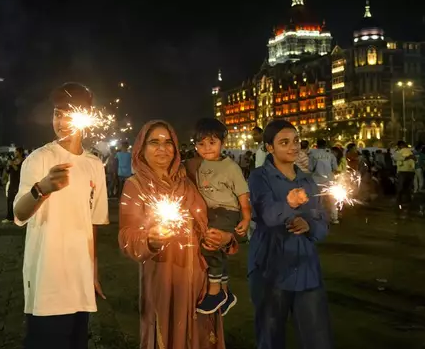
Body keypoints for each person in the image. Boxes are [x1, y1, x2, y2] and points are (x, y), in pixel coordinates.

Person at [118, 119, 236, 349]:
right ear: (141, 148)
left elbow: (218, 214)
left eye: (168, 142)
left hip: (202, 274)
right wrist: (148, 240)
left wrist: (225, 237)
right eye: (154, 142)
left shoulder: (189, 179)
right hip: (165, 276)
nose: (162, 148)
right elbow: (126, 235)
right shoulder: (136, 185)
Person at [13, 82, 108, 349]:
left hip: (79, 280)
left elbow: (93, 223)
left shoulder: (94, 165)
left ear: (86, 117)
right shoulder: (39, 159)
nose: (62, 120)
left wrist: (93, 271)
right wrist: (42, 188)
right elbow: (19, 213)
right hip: (47, 278)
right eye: (57, 113)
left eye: (70, 113)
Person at [248, 120, 332, 349]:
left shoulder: (308, 181)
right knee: (270, 337)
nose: (293, 147)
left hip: (306, 269)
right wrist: (290, 202)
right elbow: (266, 216)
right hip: (270, 268)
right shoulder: (259, 177)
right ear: (269, 148)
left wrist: (310, 226)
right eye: (284, 142)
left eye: (295, 141)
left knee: (318, 338)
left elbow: (323, 222)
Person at [187, 118, 250, 316]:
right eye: (201, 144)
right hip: (209, 212)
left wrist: (246, 218)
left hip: (226, 211)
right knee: (219, 250)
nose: (206, 148)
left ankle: (214, 292)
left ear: (223, 142)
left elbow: (243, 195)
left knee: (210, 245)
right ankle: (225, 292)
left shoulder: (231, 167)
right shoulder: (199, 164)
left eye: (212, 143)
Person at [393, 140, 416, 217]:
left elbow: (414, 160)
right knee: (402, 188)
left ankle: (406, 202)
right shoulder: (399, 152)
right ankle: (400, 202)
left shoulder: (408, 151)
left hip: (408, 172)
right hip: (404, 172)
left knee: (406, 188)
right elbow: (397, 158)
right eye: (403, 145)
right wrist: (409, 157)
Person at [3, 147, 24, 223]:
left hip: (18, 183)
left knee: (17, 200)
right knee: (9, 200)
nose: (15, 153)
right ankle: (10, 217)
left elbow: (19, 171)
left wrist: (12, 164)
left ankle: (16, 216)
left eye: (16, 152)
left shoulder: (23, 161)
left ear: (20, 152)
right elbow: (8, 171)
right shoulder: (14, 160)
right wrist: (8, 166)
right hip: (12, 183)